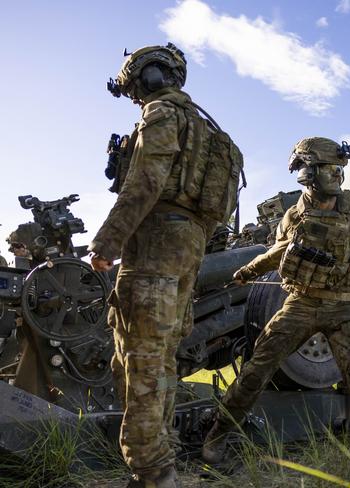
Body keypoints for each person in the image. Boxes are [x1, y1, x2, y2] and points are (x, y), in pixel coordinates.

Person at [202, 137, 350, 483]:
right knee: (256, 371)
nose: (337, 176)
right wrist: (245, 273)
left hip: (344, 307)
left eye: (339, 169)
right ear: (308, 174)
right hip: (300, 303)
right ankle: (216, 441)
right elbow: (277, 253)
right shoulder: (293, 216)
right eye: (330, 169)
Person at [90, 43, 243, 488]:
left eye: (136, 84)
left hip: (154, 245)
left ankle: (154, 473)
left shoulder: (161, 114)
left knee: (139, 362)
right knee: (163, 363)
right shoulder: (211, 131)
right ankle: (162, 461)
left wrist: (107, 241)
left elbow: (144, 183)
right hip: (188, 249)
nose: (136, 94)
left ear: (153, 77)